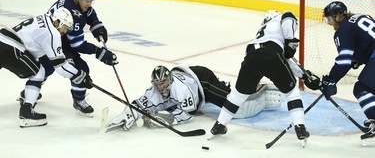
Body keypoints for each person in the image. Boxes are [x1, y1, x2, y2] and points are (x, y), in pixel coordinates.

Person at [209, 10, 321, 144]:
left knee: (238, 95)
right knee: (291, 93)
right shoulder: (280, 20)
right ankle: (300, 128)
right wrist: (304, 75)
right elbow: (288, 17)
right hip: (272, 55)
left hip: (251, 56)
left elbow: (285, 59)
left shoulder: (262, 32)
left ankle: (219, 126)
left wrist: (304, 75)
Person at [22, 0, 118, 117]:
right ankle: (79, 100)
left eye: (92, 0)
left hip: (50, 37)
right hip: (55, 40)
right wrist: (99, 52)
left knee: (46, 67)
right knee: (81, 69)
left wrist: (97, 26)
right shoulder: (74, 14)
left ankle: (29, 93)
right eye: (86, 0)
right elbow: (77, 45)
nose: (89, 3)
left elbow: (89, 13)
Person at [103, 64, 288, 132]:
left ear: (169, 80)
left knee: (236, 109)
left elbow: (188, 114)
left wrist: (164, 119)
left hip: (202, 81)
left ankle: (259, 90)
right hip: (187, 74)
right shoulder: (154, 91)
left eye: (164, 83)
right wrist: (130, 114)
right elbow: (138, 104)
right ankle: (227, 89)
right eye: (158, 84)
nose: (161, 87)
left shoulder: (179, 91)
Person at [0, 7, 93, 127]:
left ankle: (28, 98)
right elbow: (60, 67)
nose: (65, 31)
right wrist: (79, 76)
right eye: (65, 27)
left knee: (39, 70)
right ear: (57, 22)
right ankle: (27, 112)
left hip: (2, 38)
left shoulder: (43, 18)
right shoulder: (52, 33)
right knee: (38, 73)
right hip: (12, 48)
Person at [321, 1, 375, 140]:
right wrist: (357, 58)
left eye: (330, 18)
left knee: (362, 88)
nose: (329, 23)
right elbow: (367, 41)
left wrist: (330, 80)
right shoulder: (361, 16)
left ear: (338, 16)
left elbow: (344, 61)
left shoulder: (343, 30)